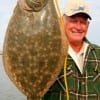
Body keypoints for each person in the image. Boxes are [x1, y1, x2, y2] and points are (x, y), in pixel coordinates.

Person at [42, 0, 100, 99]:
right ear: (61, 21)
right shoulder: (46, 53)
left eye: (82, 22)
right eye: (73, 20)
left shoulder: (98, 53)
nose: (78, 26)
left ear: (88, 25)